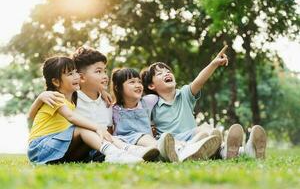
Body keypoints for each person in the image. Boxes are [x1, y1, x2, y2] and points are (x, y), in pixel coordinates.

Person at [28, 47, 158, 162]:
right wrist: (40, 98)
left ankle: (129, 150)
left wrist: (102, 90)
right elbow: (71, 117)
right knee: (83, 128)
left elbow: (88, 87)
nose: (76, 76)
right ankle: (114, 152)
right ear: (56, 82)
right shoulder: (56, 97)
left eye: (76, 73)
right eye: (70, 74)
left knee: (96, 140)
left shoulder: (72, 97)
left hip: (60, 148)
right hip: (41, 146)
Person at [141, 45, 267, 159]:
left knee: (206, 129)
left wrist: (214, 63)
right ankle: (214, 149)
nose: (166, 73)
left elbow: (199, 81)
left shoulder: (184, 94)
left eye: (168, 71)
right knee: (203, 133)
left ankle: (246, 150)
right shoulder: (152, 105)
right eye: (159, 73)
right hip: (173, 143)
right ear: (151, 86)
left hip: (195, 137)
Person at [111, 68, 221, 162]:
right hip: (127, 141)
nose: (138, 85)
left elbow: (167, 96)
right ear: (117, 88)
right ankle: (184, 149)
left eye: (139, 82)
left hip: (149, 141)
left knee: (155, 139)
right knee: (148, 138)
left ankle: (188, 147)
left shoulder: (148, 101)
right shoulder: (113, 109)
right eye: (132, 82)